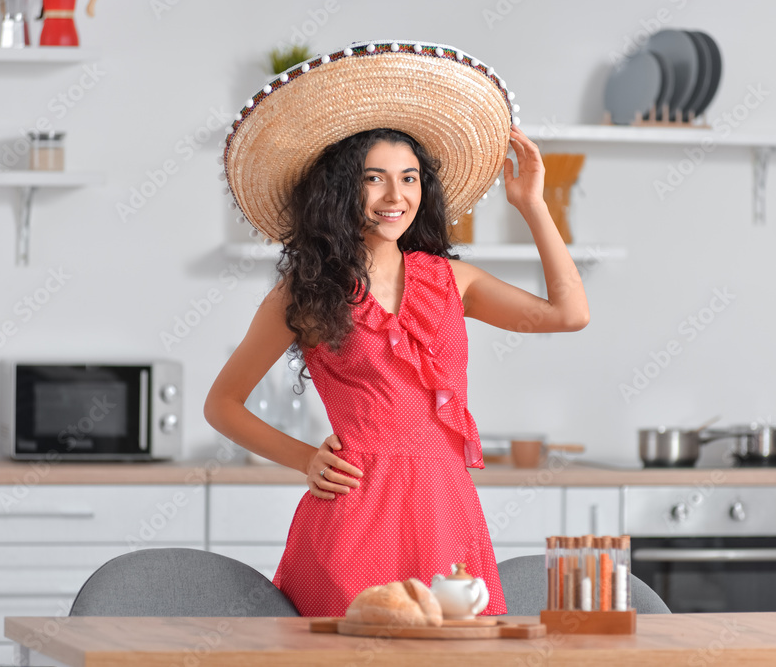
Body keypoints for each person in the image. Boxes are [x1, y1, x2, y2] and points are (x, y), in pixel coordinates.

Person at [204, 39, 589, 618]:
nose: (395, 196)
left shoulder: (450, 280)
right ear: (341, 190)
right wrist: (307, 458)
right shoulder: (305, 292)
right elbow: (222, 404)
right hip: (353, 520)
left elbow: (569, 314)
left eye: (409, 179)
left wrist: (533, 205)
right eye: (374, 179)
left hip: (446, 516)